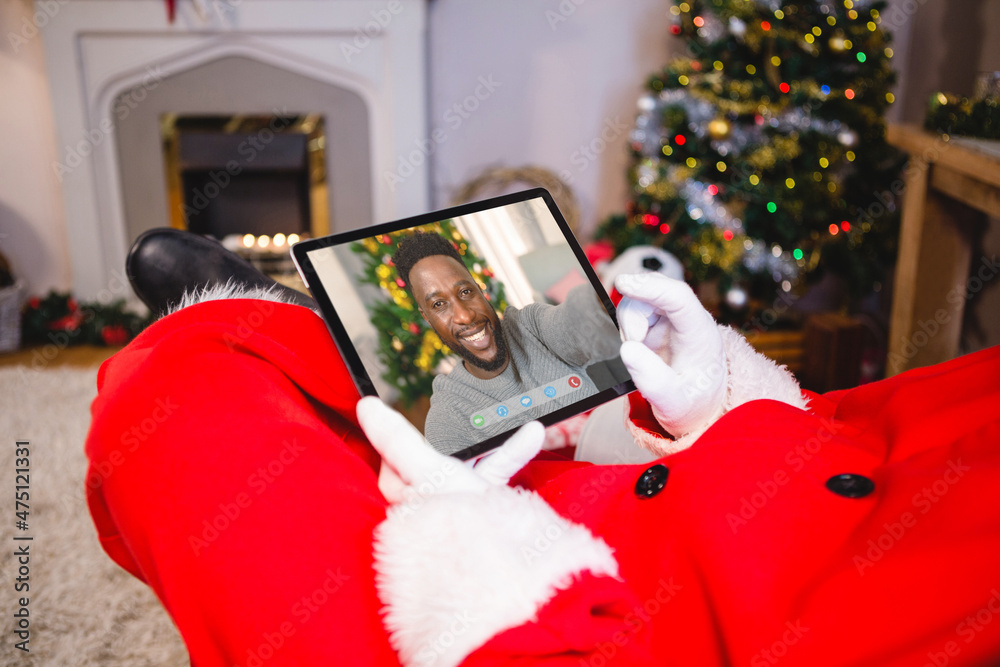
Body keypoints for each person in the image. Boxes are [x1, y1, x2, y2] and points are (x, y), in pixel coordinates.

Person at [85, 228, 1000, 666]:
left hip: (540, 604)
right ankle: (308, 370)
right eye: (436, 306)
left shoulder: (545, 325)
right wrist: (720, 402)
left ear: (485, 291)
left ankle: (272, 342)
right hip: (718, 472)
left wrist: (477, 557)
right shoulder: (447, 388)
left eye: (463, 294)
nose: (459, 315)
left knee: (165, 408)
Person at [390, 232, 624, 454]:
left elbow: (580, 320)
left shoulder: (532, 327)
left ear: (480, 289)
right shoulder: (448, 422)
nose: (465, 316)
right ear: (426, 317)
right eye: (439, 305)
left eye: (464, 292)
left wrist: (608, 287)